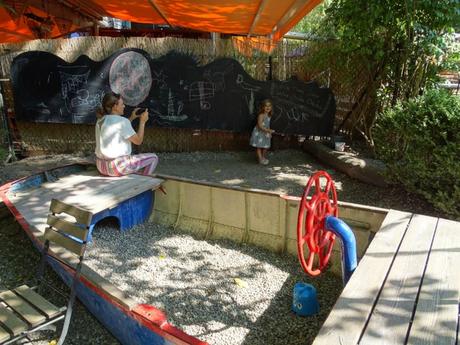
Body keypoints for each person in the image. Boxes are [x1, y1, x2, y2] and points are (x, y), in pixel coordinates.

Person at [95, 92, 158, 177]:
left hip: (101, 167)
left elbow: (119, 128)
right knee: (153, 158)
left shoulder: (101, 120)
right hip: (117, 168)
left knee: (130, 160)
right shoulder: (123, 122)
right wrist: (142, 122)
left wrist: (131, 118)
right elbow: (138, 141)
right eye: (122, 104)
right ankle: (144, 180)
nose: (124, 106)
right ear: (115, 107)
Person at [249, 99, 275, 165]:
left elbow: (267, 125)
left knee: (266, 146)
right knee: (259, 146)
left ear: (271, 107)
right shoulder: (261, 115)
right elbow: (260, 125)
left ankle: (263, 157)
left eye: (269, 106)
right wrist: (268, 130)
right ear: (263, 107)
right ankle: (260, 159)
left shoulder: (269, 115)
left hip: (265, 133)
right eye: (266, 106)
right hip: (259, 133)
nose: (267, 107)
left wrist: (268, 132)